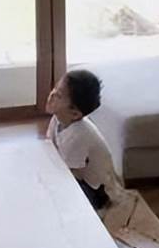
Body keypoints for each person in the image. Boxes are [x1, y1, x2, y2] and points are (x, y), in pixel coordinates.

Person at [45, 69, 114, 210]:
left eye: (58, 95)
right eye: (55, 88)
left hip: (94, 187)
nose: (52, 95)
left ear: (75, 113)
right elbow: (49, 146)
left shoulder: (78, 135)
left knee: (64, 201)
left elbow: (73, 174)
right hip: (73, 169)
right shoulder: (58, 118)